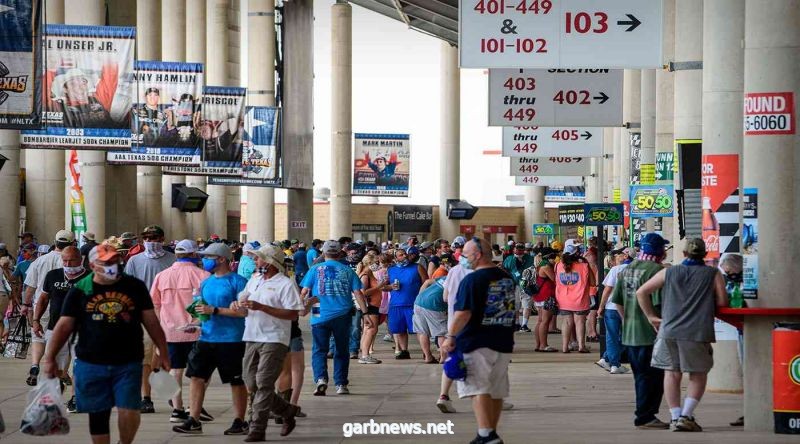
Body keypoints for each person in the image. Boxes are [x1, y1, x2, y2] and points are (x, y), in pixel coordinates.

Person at [41, 244, 170, 444]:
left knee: (129, 408)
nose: (112, 266)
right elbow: (64, 326)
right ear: (93, 265)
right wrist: (49, 359)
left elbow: (151, 321)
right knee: (98, 415)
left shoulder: (133, 286)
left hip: (127, 361)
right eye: (106, 262)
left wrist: (163, 350)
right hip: (91, 362)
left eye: (115, 261)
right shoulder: (81, 289)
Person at [636, 238, 728, 432]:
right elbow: (722, 302)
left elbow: (642, 292)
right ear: (704, 254)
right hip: (697, 332)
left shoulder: (669, 272)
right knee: (698, 374)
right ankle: (686, 415)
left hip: (668, 331)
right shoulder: (713, 274)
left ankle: (675, 416)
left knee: (671, 373)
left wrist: (652, 317)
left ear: (684, 254)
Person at [442, 238, 516, 444]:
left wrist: (450, 337)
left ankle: (486, 433)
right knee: (497, 389)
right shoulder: (506, 277)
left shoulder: (472, 280)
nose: (462, 259)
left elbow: (463, 313)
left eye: (465, 255)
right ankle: (490, 432)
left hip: (477, 342)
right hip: (502, 341)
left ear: (477, 255)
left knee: (478, 388)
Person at [172, 243, 249, 435]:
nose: (204, 260)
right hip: (206, 338)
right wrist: (195, 323)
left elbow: (243, 312)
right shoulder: (206, 282)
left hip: (232, 340)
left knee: (236, 380)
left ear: (222, 259)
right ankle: (194, 419)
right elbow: (203, 311)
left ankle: (240, 420)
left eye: (208, 257)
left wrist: (214, 310)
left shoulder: (238, 282)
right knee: (196, 377)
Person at [229, 245, 303, 441]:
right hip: (252, 335)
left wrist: (263, 307)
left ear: (270, 262)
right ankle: (287, 411)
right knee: (250, 381)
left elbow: (293, 313)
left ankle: (257, 427)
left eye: (259, 258)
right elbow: (243, 306)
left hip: (274, 338)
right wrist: (237, 306)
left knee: (263, 382)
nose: (255, 261)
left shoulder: (285, 284)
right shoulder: (254, 280)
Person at [610, 232, 670, 430]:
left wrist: (627, 320)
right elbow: (660, 303)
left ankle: (644, 414)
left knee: (640, 377)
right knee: (653, 378)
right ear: (660, 251)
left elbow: (617, 300)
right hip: (650, 334)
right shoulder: (656, 271)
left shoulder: (628, 269)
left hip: (630, 333)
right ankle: (645, 416)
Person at [149, 240, 210, 423]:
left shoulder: (162, 275)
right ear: (194, 255)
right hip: (197, 330)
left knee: (176, 370)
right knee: (199, 372)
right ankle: (194, 406)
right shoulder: (203, 275)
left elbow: (155, 304)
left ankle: (177, 409)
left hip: (170, 331)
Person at [300, 240, 369, 396]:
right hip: (342, 314)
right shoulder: (347, 271)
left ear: (323, 253)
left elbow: (304, 292)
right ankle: (341, 384)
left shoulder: (314, 269)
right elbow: (358, 293)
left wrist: (298, 308)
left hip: (319, 312)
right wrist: (365, 314)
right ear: (339, 253)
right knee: (341, 350)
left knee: (319, 349)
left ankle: (321, 379)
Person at [124, 225, 175, 414]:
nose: (151, 241)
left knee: (165, 355)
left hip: (168, 313)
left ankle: (171, 392)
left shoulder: (172, 260)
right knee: (145, 356)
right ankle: (146, 397)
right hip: (142, 314)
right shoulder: (134, 261)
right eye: (147, 238)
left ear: (162, 239)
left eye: (155, 238)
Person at [32, 246, 89, 405]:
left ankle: (76, 398)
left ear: (81, 260)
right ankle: (53, 396)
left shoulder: (91, 277)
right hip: (55, 328)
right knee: (54, 365)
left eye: (72, 260)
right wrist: (36, 320)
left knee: (79, 365)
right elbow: (43, 299)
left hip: (81, 330)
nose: (69, 264)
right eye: (65, 260)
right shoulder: (53, 275)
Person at [21, 229, 75, 386]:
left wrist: (26, 304)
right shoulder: (70, 261)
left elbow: (30, 286)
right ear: (72, 244)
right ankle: (62, 373)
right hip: (63, 308)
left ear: (55, 242)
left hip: (41, 306)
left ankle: (35, 365)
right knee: (64, 341)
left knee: (38, 337)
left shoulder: (40, 260)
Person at [436, 249, 474, 413]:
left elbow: (445, 297)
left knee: (453, 359)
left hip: (454, 323)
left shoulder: (453, 271)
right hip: (473, 324)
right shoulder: (479, 273)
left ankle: (443, 396)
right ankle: (492, 398)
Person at [596, 247, 635, 374]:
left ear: (625, 257)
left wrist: (601, 307)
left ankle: (609, 360)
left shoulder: (615, 269)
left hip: (612, 308)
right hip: (631, 309)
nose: (617, 257)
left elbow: (607, 290)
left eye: (620, 255)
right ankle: (613, 362)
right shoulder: (638, 270)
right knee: (626, 337)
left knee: (612, 336)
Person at [554, 242, 596, 353]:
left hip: (563, 299)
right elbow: (593, 282)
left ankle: (564, 347)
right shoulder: (584, 266)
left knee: (567, 322)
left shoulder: (558, 266)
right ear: (577, 254)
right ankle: (581, 346)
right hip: (580, 299)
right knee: (580, 322)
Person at [387, 247, 427, 359]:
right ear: (395, 258)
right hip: (396, 304)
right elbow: (383, 286)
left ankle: (426, 351)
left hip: (413, 303)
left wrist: (422, 298)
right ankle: (404, 350)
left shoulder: (417, 267)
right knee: (399, 330)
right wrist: (390, 286)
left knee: (419, 329)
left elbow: (426, 283)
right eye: (401, 255)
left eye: (405, 254)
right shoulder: (391, 270)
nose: (404, 256)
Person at [525, 250, 557, 352]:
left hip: (538, 296)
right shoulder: (546, 266)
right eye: (554, 257)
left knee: (540, 320)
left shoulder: (538, 265)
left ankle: (538, 345)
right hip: (546, 296)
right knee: (545, 321)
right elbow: (555, 279)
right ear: (549, 257)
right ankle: (544, 345)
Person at [357, 254, 385, 364]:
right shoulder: (365, 275)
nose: (378, 265)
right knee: (371, 329)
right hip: (370, 305)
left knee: (368, 329)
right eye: (376, 263)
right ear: (369, 263)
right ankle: (365, 355)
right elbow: (363, 292)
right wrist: (378, 287)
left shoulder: (369, 274)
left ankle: (364, 353)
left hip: (373, 305)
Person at [414, 276, 448, 364]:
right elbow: (446, 298)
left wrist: (420, 295)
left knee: (422, 331)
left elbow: (427, 282)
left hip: (419, 301)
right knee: (441, 332)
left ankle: (428, 357)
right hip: (434, 303)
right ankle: (443, 358)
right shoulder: (461, 280)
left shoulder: (447, 276)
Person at [502, 243, 535, 332]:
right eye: (518, 249)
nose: (519, 251)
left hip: (526, 286)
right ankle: (517, 323)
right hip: (514, 285)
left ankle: (524, 325)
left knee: (526, 305)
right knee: (515, 305)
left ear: (524, 249)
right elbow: (504, 270)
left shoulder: (530, 258)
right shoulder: (509, 259)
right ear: (514, 249)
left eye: (521, 249)